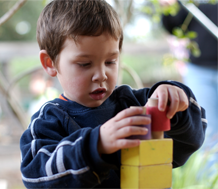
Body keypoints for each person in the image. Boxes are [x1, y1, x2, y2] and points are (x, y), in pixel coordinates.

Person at [20, 0, 206, 188]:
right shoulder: (49, 121)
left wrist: (175, 101)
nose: (101, 75)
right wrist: (96, 145)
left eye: (110, 61)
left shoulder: (135, 104)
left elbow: (192, 138)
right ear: (50, 63)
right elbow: (37, 178)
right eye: (84, 64)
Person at [160, 0, 218, 149]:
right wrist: (168, 6)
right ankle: (210, 173)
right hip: (199, 71)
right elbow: (173, 24)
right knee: (208, 133)